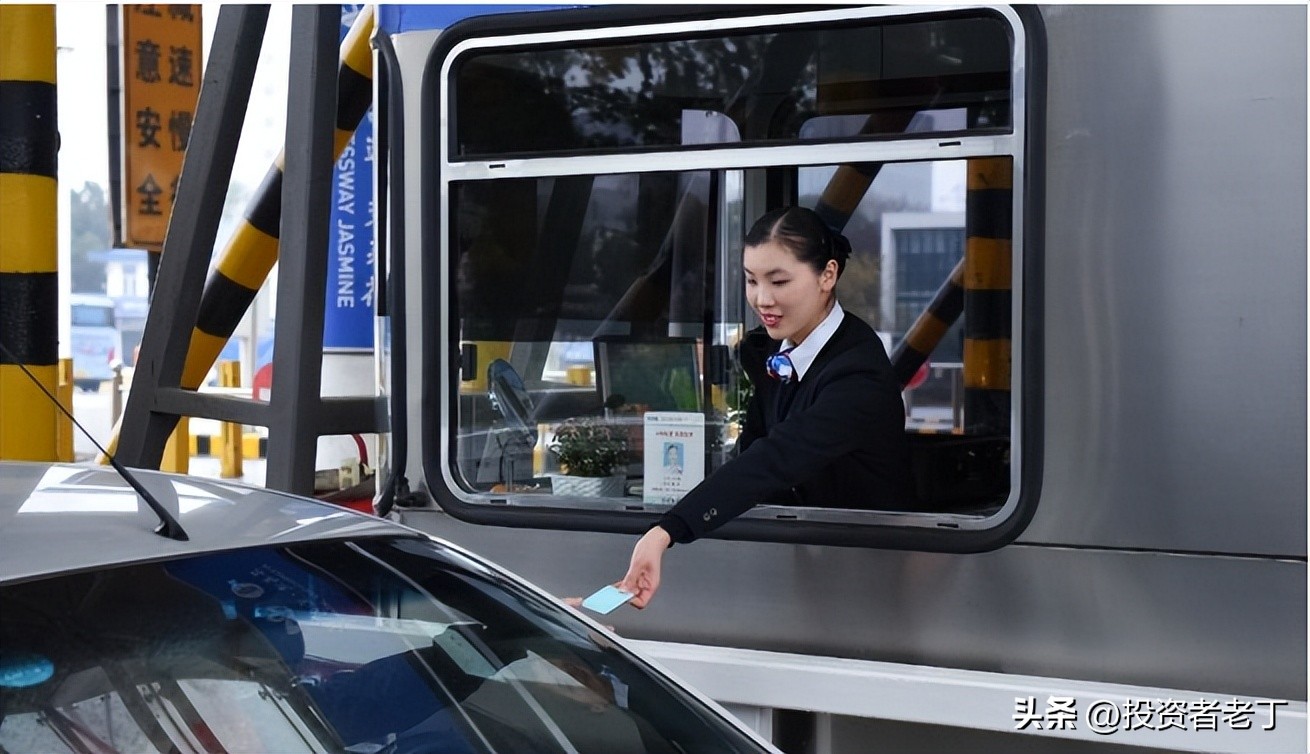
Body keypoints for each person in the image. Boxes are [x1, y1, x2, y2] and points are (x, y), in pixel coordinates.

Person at [618, 206, 917, 608]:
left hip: (868, 581)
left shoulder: (858, 374)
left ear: (828, 275)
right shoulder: (771, 352)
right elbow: (754, 453)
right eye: (751, 280)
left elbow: (775, 458)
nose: (762, 299)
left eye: (779, 281)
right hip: (803, 575)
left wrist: (666, 531)